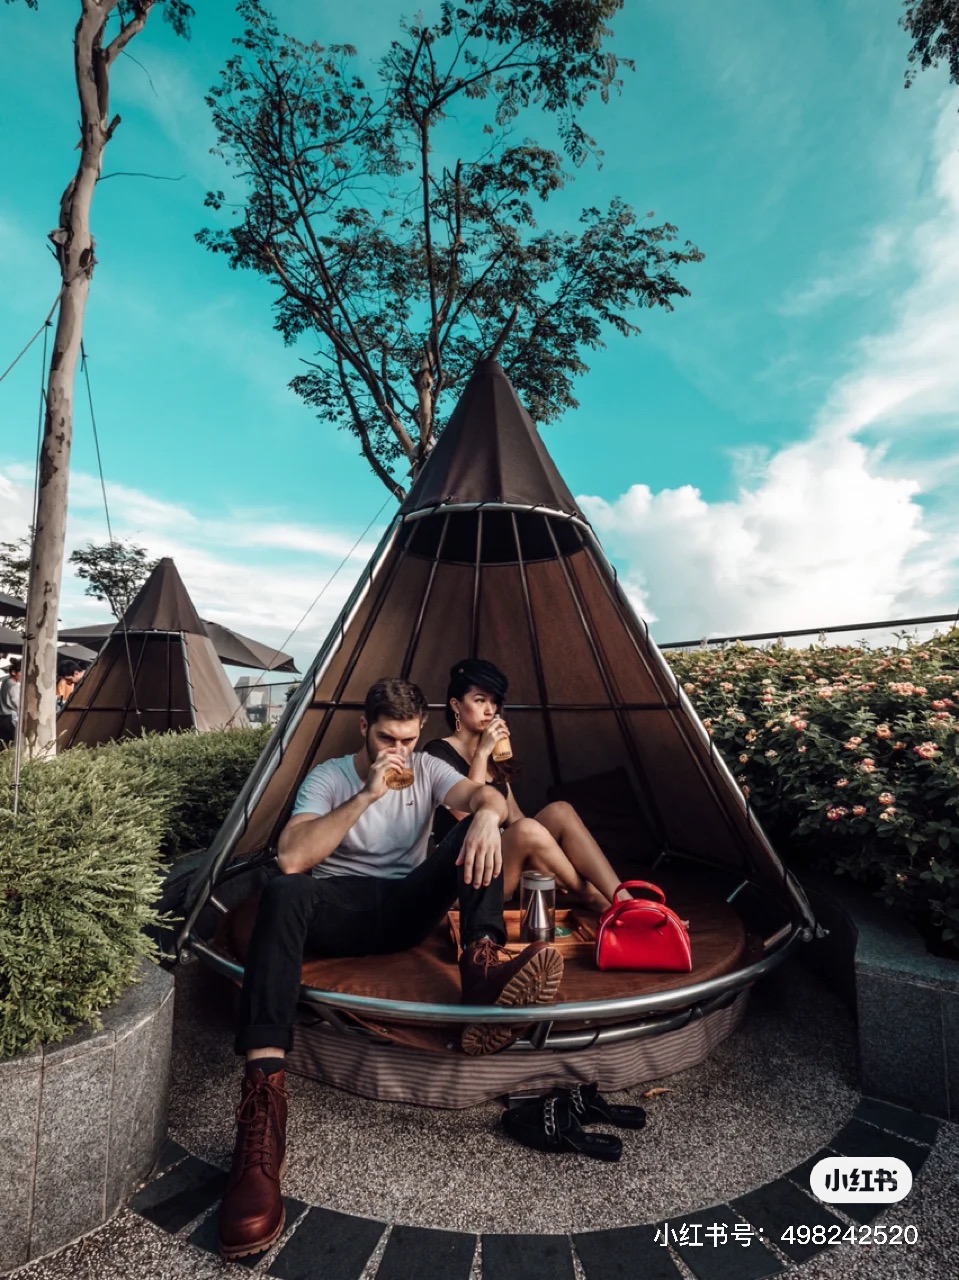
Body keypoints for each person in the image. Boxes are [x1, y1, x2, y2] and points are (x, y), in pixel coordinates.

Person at [218, 677, 564, 1260]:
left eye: (406, 740)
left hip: (404, 908)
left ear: (420, 731)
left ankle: (482, 970)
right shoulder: (330, 777)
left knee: (477, 829)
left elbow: (483, 798)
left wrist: (486, 816)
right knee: (284, 890)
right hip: (339, 908)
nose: (397, 752)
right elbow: (293, 856)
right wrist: (367, 794)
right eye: (386, 739)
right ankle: (262, 1105)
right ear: (364, 728)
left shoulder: (428, 769)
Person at [423, 659, 624, 913]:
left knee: (560, 810)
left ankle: (625, 898)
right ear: (456, 705)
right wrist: (482, 753)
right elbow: (466, 819)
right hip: (464, 873)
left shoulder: (495, 754)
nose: (490, 710)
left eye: (494, 702)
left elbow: (515, 818)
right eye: (480, 700)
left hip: (501, 861)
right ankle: (593, 896)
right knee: (528, 830)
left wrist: (546, 856)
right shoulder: (436, 753)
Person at [0, 657, 21, 746]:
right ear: (13, 672)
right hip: (10, 718)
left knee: (4, 746)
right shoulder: (14, 686)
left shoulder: (5, 682)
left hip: (2, 717)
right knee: (12, 745)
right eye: (20, 672)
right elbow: (18, 704)